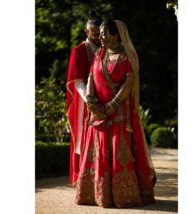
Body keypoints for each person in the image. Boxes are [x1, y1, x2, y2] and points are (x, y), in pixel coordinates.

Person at [75, 20, 156, 208]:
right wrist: (91, 101)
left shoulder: (127, 56)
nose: (100, 36)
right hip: (98, 114)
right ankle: (94, 194)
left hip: (119, 115)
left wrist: (112, 105)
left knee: (117, 153)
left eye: (104, 33)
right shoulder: (99, 55)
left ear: (116, 35)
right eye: (99, 33)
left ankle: (123, 195)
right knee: (98, 152)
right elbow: (91, 78)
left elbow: (129, 83)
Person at [66, 10, 105, 186]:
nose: (98, 37)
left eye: (100, 34)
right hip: (85, 103)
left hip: (105, 100)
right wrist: (91, 101)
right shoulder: (79, 51)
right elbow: (77, 82)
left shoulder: (107, 49)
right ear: (86, 32)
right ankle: (85, 182)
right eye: (94, 34)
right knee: (84, 140)